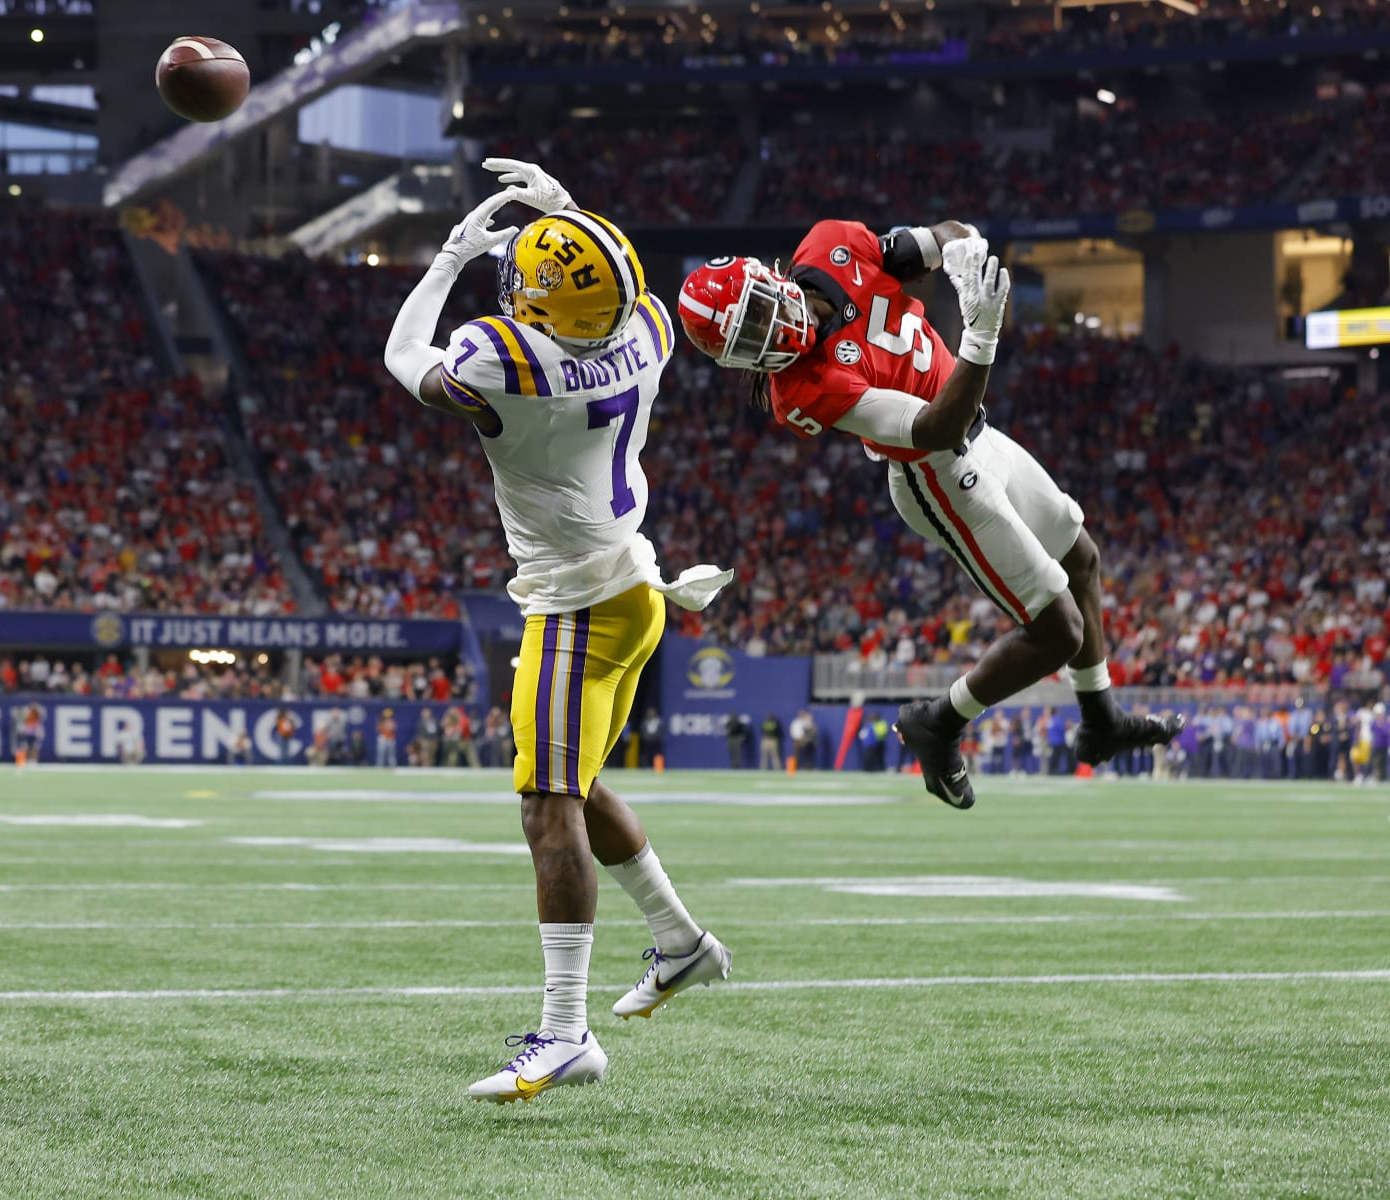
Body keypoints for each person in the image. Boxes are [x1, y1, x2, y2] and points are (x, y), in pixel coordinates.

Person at [383, 158, 734, 1104]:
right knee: (573, 788)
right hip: (631, 585)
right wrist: (576, 215)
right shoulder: (651, 330)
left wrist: (455, 255)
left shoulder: (508, 360)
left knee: (548, 807)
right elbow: (618, 291)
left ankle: (566, 1030)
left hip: (578, 603)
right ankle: (681, 943)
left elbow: (403, 355)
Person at [679, 222, 1181, 808]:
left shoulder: (831, 243)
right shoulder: (801, 392)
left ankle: (1101, 721)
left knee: (1082, 556)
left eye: (760, 313)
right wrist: (982, 334)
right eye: (750, 340)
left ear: (768, 278)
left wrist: (947, 248)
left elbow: (952, 232)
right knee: (1059, 630)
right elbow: (933, 429)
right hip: (937, 474)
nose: (772, 334)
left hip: (982, 434)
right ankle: (940, 721)